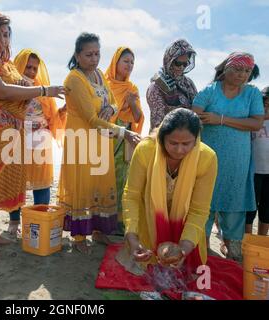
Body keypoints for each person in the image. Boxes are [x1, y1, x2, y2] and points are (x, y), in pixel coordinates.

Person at [0, 10, 65, 263]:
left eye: (8, 35)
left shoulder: (4, 64)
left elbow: (24, 84)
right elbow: (3, 91)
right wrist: (44, 89)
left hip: (8, 131)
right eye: (1, 34)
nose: (6, 40)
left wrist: (41, 88)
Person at [57, 33, 141, 254]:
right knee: (82, 187)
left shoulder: (99, 75)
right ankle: (78, 237)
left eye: (97, 54)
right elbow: (91, 119)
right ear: (77, 55)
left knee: (100, 185)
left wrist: (112, 109)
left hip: (102, 141)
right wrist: (124, 133)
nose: (94, 59)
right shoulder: (74, 79)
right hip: (82, 141)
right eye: (88, 54)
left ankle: (97, 230)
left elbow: (113, 100)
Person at [120, 108, 217, 275]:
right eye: (173, 143)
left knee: (186, 274)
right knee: (144, 269)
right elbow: (132, 196)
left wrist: (184, 249)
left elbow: (199, 210)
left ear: (196, 140)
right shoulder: (146, 150)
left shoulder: (207, 158)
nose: (179, 150)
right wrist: (133, 238)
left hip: (186, 227)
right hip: (149, 221)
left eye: (186, 144)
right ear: (161, 138)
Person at [193, 52, 264, 262]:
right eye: (239, 69)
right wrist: (209, 119)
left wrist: (220, 119)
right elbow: (194, 115)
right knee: (204, 202)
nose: (243, 75)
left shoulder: (252, 94)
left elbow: (256, 123)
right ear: (227, 69)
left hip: (237, 161)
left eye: (247, 71)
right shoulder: (209, 91)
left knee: (234, 204)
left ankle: (233, 253)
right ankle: (201, 251)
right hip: (208, 160)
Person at [7, 49, 67, 235]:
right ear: (18, 65)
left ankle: (39, 219)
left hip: (41, 141)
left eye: (35, 68)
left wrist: (63, 111)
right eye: (28, 67)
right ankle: (14, 221)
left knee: (42, 183)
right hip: (18, 138)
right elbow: (6, 113)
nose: (32, 71)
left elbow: (52, 118)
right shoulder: (11, 86)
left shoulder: (43, 89)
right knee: (16, 182)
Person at [105, 46, 144, 234]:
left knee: (122, 178)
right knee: (104, 176)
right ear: (115, 62)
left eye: (132, 63)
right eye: (126, 61)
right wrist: (122, 105)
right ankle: (102, 220)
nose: (129, 65)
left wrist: (133, 102)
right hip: (106, 136)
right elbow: (101, 115)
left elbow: (137, 118)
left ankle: (119, 221)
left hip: (126, 139)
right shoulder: (104, 84)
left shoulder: (132, 88)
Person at [147, 39, 198, 131]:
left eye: (185, 64)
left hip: (189, 137)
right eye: (178, 63)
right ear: (169, 61)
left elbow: (197, 109)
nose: (182, 67)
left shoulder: (189, 84)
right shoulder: (156, 86)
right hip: (167, 138)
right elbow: (158, 123)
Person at [246, 86, 269, 236]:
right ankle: (246, 241)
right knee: (249, 210)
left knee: (267, 211)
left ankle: (262, 241)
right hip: (252, 172)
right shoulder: (250, 120)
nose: (267, 107)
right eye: (264, 103)